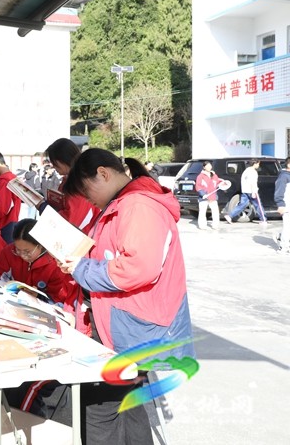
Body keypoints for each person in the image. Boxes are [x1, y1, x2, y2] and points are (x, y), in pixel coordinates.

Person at [60, 149, 194, 444]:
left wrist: (83, 268)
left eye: (85, 190)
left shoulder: (137, 205)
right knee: (129, 404)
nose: (86, 199)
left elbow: (138, 267)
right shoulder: (125, 202)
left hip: (132, 326)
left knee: (99, 407)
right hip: (129, 322)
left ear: (103, 174)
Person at [0, 219, 91, 416]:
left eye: (27, 252)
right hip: (21, 321)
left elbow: (61, 303)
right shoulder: (12, 252)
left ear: (42, 246)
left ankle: (21, 421)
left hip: (50, 327)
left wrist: (35, 299)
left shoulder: (57, 265)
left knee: (23, 385)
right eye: (18, 250)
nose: (21, 256)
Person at [44, 138, 99, 232]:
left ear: (63, 159)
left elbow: (72, 220)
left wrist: (44, 209)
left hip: (79, 238)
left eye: (54, 161)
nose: (52, 165)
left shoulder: (78, 183)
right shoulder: (76, 179)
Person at [225, 159, 267, 227]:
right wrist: (254, 191)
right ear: (254, 164)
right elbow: (253, 182)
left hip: (245, 191)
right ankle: (263, 219)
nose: (258, 165)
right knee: (258, 205)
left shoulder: (246, 171)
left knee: (242, 205)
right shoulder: (253, 172)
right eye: (258, 164)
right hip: (252, 191)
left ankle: (230, 216)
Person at [194, 160, 224, 230]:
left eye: (210, 165)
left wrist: (223, 184)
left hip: (213, 196)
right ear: (204, 167)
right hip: (204, 197)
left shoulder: (214, 175)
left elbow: (218, 183)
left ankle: (215, 225)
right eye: (207, 165)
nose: (209, 167)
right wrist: (203, 194)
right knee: (202, 212)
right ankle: (202, 225)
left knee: (215, 212)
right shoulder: (200, 176)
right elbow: (198, 186)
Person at [273, 157, 290, 253]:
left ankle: (280, 236)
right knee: (287, 226)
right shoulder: (284, 177)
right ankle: (284, 247)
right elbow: (279, 191)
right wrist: (280, 204)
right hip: (287, 206)